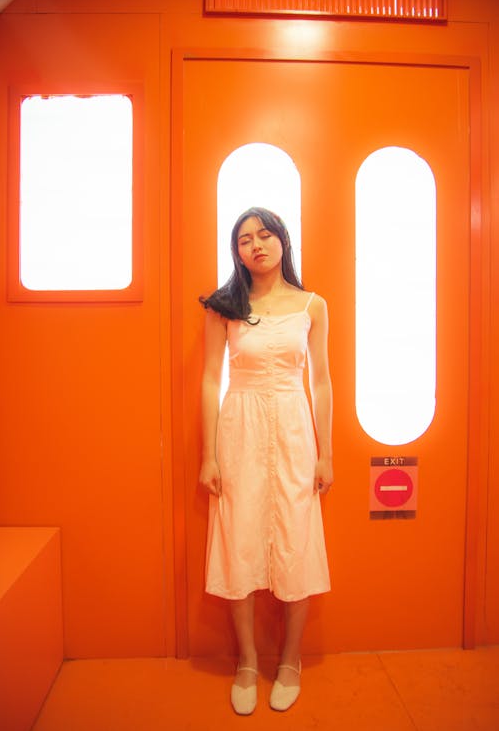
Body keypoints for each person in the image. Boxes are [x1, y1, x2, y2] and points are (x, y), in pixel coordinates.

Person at [198, 207, 333, 715]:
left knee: (296, 541)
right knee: (240, 539)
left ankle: (291, 661)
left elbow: (320, 381)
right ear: (236, 252)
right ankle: (248, 663)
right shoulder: (224, 306)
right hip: (241, 428)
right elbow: (212, 379)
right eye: (244, 239)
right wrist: (208, 454)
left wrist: (328, 452)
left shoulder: (313, 305)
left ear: (282, 240)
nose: (256, 245)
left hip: (296, 430)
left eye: (264, 235)